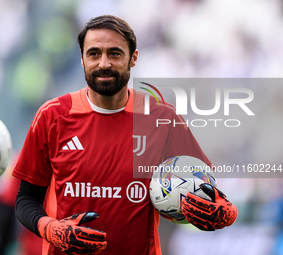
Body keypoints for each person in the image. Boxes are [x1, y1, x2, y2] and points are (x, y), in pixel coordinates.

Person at [13, 15, 238, 255]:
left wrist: (225, 212)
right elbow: (26, 199)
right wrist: (50, 228)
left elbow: (207, 191)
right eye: (93, 54)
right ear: (81, 59)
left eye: (115, 53)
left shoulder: (162, 119)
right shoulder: (52, 116)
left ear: (133, 58)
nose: (104, 63)